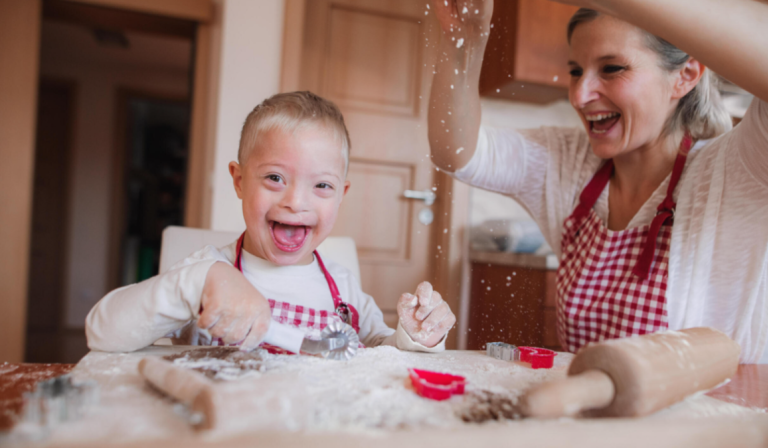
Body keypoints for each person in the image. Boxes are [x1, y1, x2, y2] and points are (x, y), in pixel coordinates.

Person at [429, 0, 768, 363]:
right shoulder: (570, 163)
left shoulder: (741, 166)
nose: (579, 95)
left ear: (685, 75)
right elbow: (457, 151)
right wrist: (466, 37)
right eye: (576, 71)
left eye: (611, 68)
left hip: (711, 417)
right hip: (597, 412)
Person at [87, 91, 455, 353]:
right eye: (275, 178)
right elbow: (102, 332)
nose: (295, 202)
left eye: (322, 185)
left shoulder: (344, 291)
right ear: (239, 181)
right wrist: (199, 281)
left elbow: (382, 355)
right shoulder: (205, 273)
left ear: (341, 194)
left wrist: (415, 337)